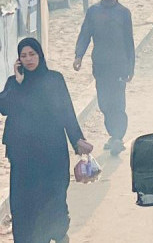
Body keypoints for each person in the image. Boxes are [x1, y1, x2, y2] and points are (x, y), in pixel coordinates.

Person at [1, 38, 93, 243]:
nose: (28, 59)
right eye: (23, 56)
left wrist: (77, 140)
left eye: (32, 54)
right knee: (25, 204)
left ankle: (58, 233)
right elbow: (4, 108)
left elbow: (67, 112)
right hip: (23, 157)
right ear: (18, 60)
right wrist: (18, 83)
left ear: (40, 55)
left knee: (54, 197)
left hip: (52, 154)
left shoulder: (55, 79)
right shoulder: (14, 83)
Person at [74, 0, 133, 156]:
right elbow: (85, 34)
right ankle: (113, 134)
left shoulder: (124, 13)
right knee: (104, 103)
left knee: (118, 102)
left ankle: (117, 137)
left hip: (119, 66)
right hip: (100, 66)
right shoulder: (93, 12)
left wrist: (131, 67)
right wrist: (78, 56)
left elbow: (129, 41)